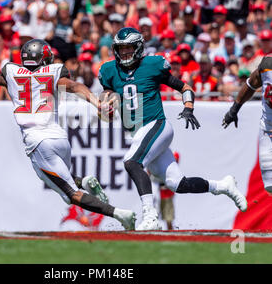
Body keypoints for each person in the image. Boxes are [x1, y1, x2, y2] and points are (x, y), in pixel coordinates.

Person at [0, 21, 136, 231]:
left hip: (37, 142)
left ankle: (119, 214)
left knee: (71, 195)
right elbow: (74, 86)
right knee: (61, 178)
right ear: (45, 58)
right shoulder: (52, 72)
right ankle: (86, 181)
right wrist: (97, 102)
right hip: (60, 138)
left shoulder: (12, 75)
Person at [98, 27, 247, 230]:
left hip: (157, 125)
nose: (124, 53)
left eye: (129, 48)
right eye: (121, 48)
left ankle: (150, 216)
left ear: (139, 48)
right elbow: (106, 95)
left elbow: (184, 87)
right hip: (138, 133)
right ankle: (222, 186)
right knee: (178, 184)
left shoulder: (152, 65)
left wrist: (188, 107)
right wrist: (104, 106)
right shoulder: (109, 71)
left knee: (132, 162)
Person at [222, 54, 272, 195]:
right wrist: (234, 109)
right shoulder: (267, 64)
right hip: (268, 130)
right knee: (270, 186)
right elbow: (250, 84)